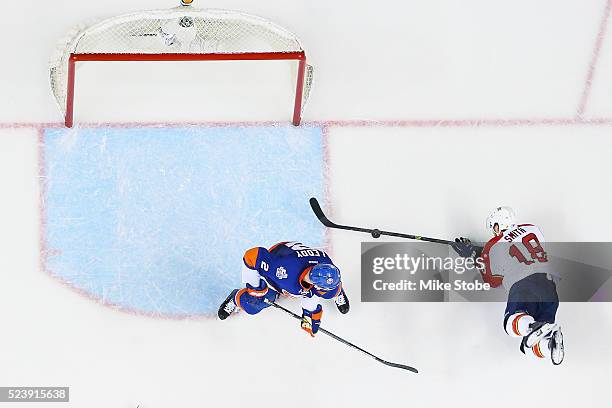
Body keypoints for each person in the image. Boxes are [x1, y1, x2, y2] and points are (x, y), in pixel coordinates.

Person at [452, 207, 564, 365]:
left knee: (511, 322)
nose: (493, 231)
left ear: (498, 224)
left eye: (494, 227)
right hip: (549, 285)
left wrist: (474, 255)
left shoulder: (493, 245)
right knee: (529, 346)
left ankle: (532, 326)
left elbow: (491, 280)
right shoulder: (532, 228)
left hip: (523, 284)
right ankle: (550, 344)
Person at [217, 241, 349, 336]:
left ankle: (338, 292)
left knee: (332, 292)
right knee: (253, 304)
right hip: (280, 259)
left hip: (300, 264)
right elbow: (252, 256)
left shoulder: (327, 265)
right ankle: (235, 298)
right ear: (315, 285)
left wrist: (310, 314)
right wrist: (255, 289)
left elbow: (312, 294)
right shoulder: (282, 271)